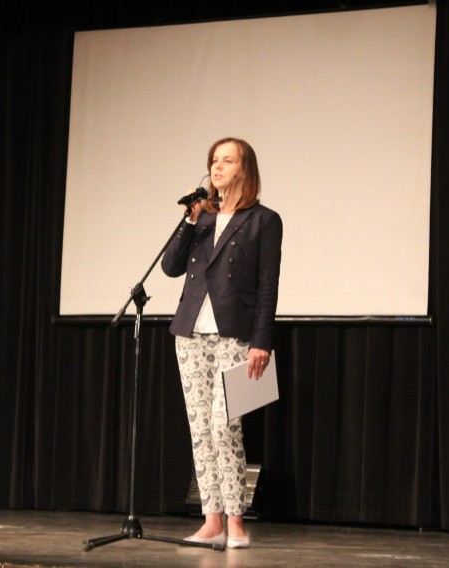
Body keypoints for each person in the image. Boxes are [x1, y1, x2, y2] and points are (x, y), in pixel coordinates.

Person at [161, 137, 283, 549]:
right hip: (191, 334)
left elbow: (268, 286)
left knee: (223, 426)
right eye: (214, 160)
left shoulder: (264, 221)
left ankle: (236, 523)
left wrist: (261, 341)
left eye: (227, 161)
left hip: (237, 334)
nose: (217, 167)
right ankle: (210, 520)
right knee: (200, 429)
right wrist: (190, 222)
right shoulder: (204, 219)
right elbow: (171, 267)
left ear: (244, 170)